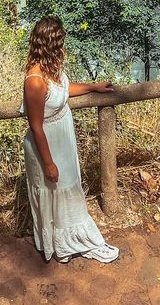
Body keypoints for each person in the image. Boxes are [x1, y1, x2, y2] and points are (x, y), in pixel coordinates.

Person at [21, 15, 120, 264]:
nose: (64, 47)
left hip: (62, 140)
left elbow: (63, 90)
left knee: (67, 190)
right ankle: (81, 244)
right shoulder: (35, 81)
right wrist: (48, 163)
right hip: (47, 144)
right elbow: (35, 125)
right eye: (60, 42)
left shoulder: (51, 69)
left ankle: (65, 245)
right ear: (51, 45)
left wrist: (93, 87)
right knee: (57, 189)